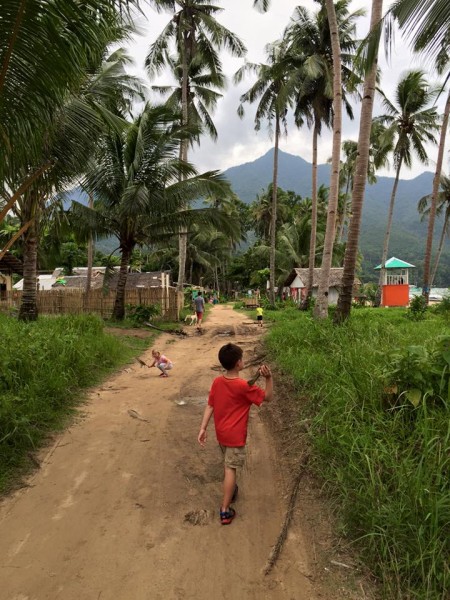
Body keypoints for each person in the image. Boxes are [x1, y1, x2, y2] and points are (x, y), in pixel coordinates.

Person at [197, 343, 273, 525]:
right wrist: (269, 378)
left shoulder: (217, 382)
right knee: (230, 468)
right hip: (235, 437)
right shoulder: (243, 386)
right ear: (239, 363)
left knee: (227, 463)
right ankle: (224, 510)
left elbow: (210, 405)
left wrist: (203, 428)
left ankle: (232, 490)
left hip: (221, 433)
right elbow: (268, 397)